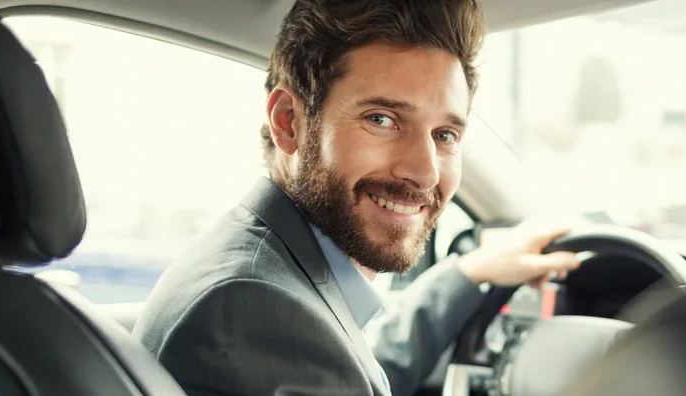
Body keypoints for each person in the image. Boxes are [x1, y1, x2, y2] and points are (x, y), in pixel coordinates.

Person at [131, 1, 581, 395]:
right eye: (382, 119)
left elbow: (356, 368)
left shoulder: (266, 271)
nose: (424, 172)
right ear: (289, 122)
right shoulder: (253, 310)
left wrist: (468, 273)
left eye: (445, 134)